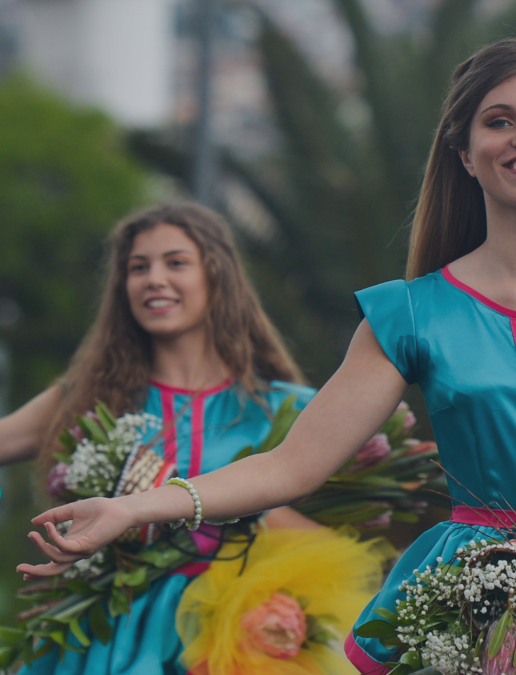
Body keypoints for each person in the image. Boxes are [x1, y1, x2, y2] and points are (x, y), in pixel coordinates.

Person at [17, 40, 516, 674]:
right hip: (467, 604)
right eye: (498, 121)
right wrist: (130, 507)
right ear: (464, 152)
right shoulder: (412, 313)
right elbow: (291, 466)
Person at [0, 203, 371, 675]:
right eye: (138, 267)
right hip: (103, 639)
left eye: (175, 262)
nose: (154, 278)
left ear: (217, 277)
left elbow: (347, 545)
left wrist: (224, 513)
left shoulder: (291, 408)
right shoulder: (82, 400)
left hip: (234, 643)